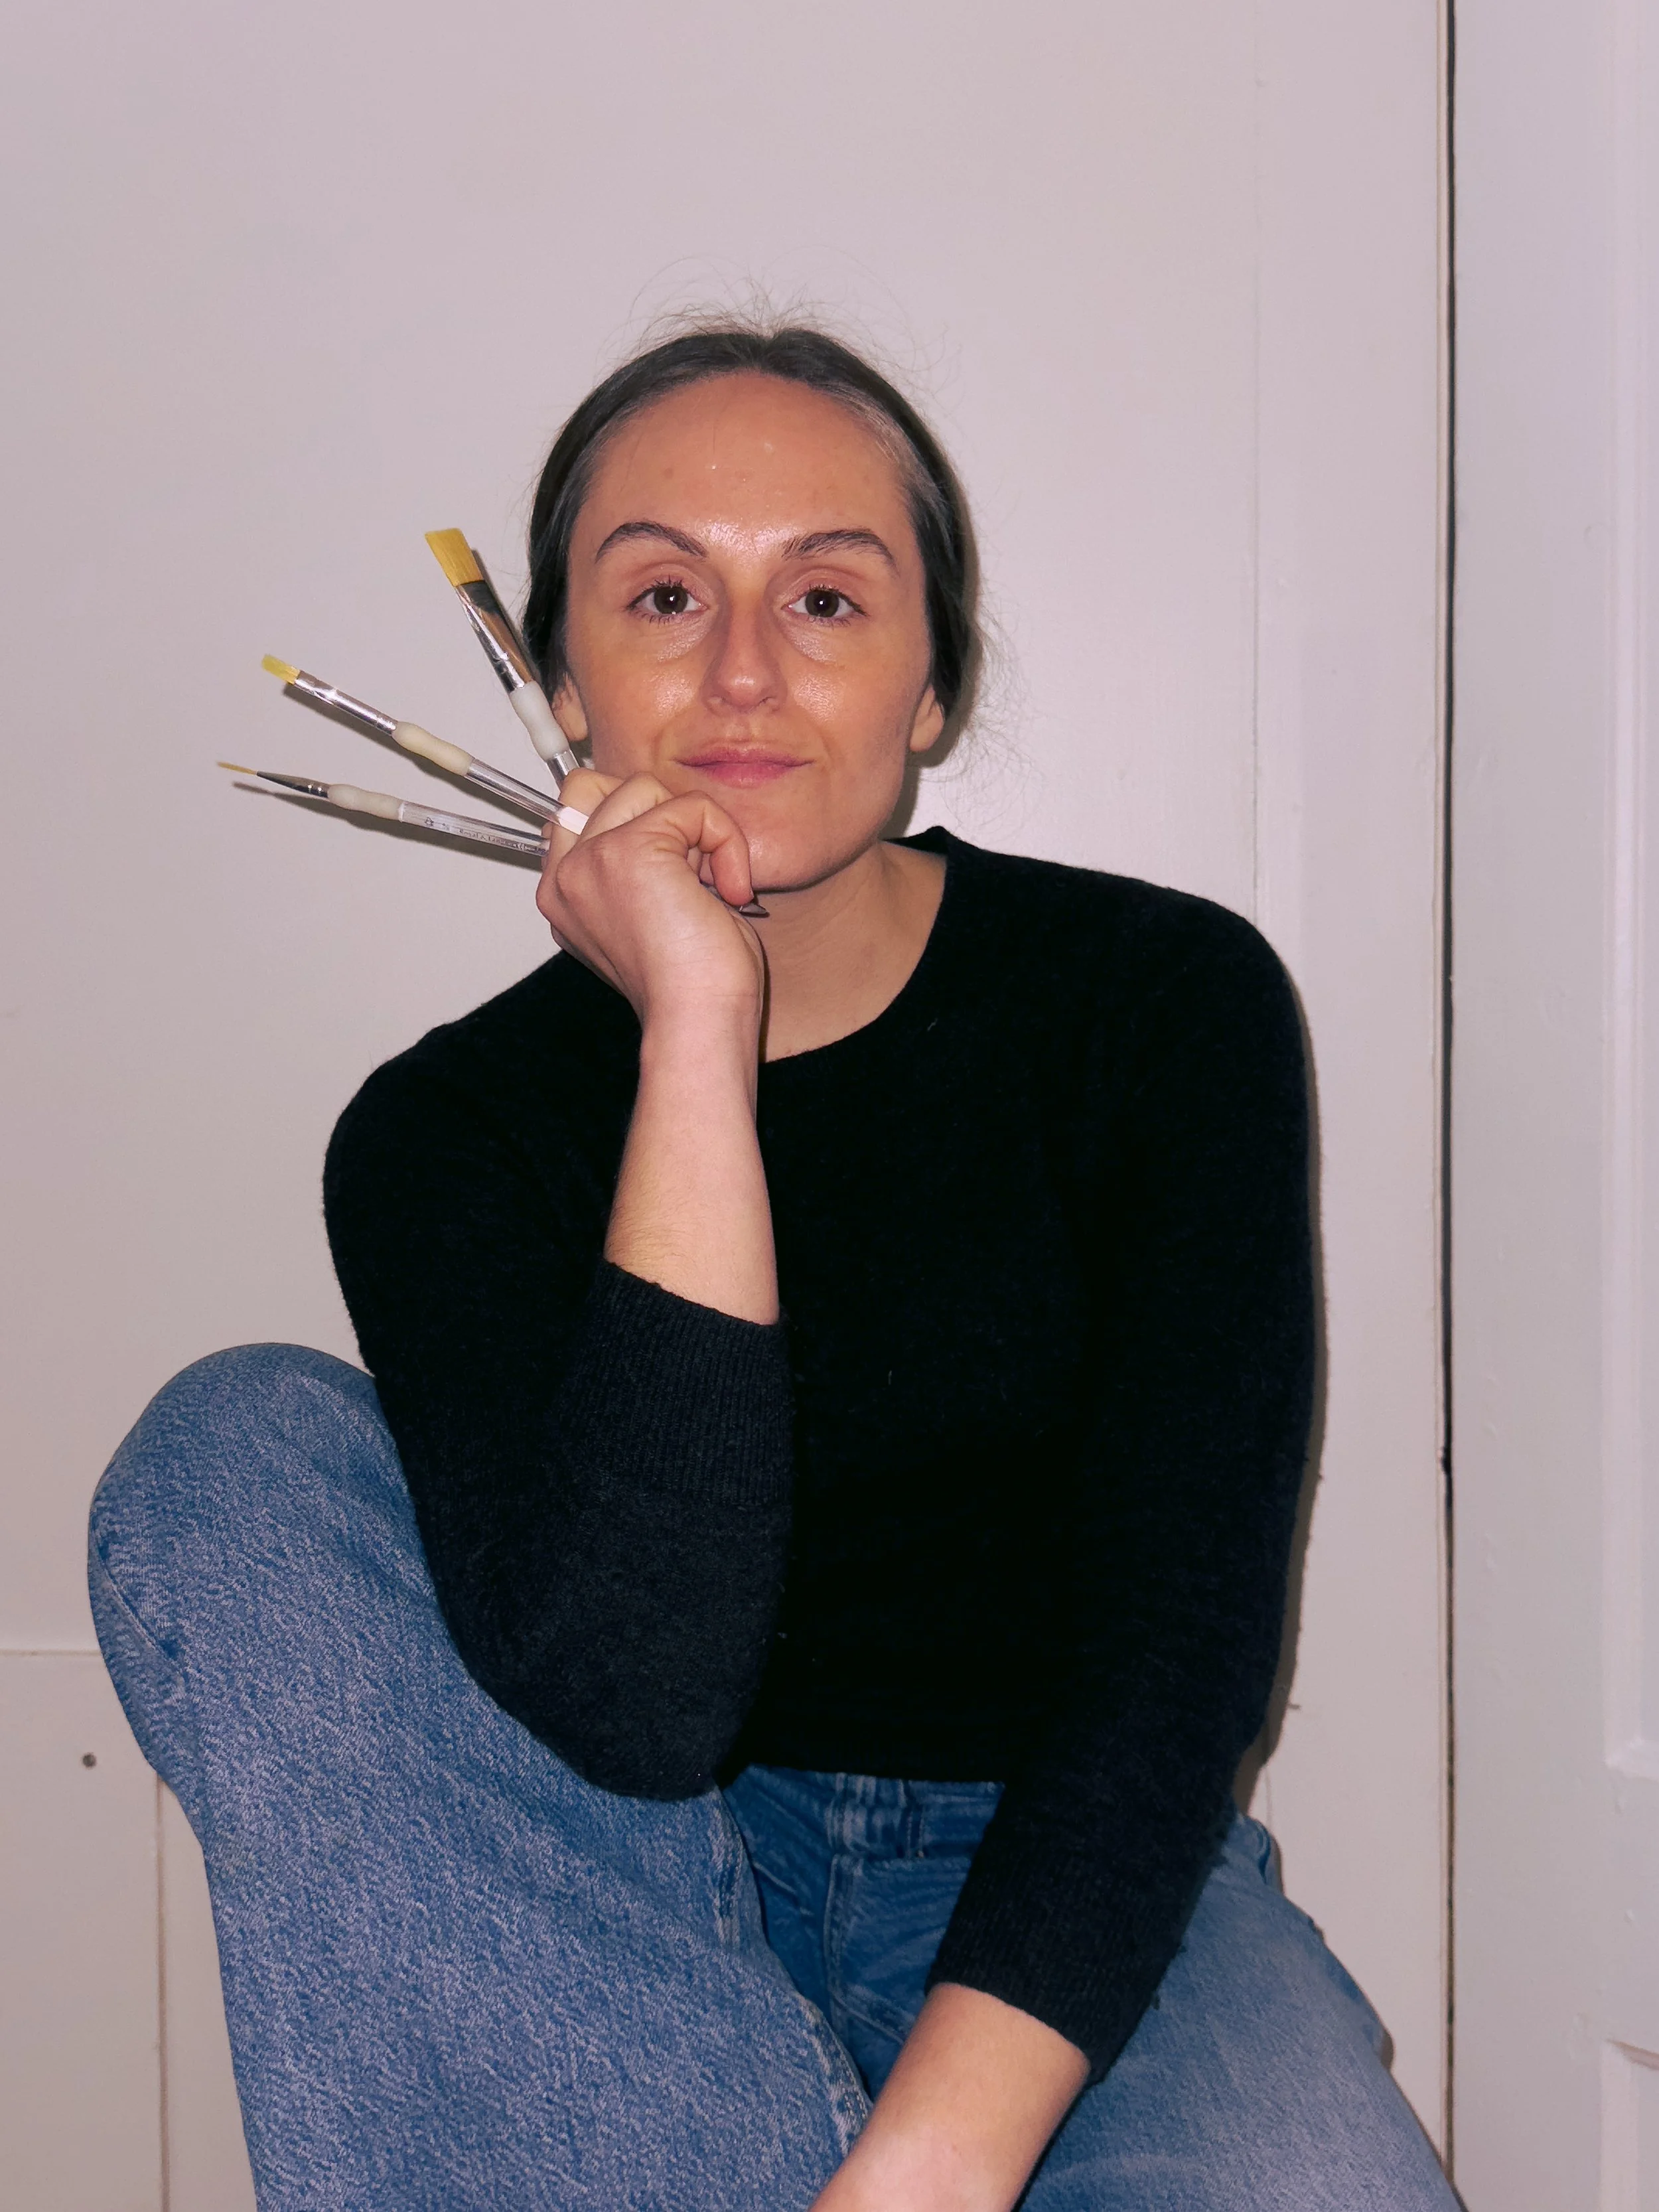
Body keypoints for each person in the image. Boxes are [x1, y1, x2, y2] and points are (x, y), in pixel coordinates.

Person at [89, 321, 1459, 2211]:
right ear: (562, 681)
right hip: (605, 1864)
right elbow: (637, 1701)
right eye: (662, 593)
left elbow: (1176, 1652)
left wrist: (925, 2169)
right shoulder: (445, 1133)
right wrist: (690, 1037)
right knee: (228, 1445)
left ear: (929, 684)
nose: (742, 668)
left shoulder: (1157, 1006)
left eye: (824, 595)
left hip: (1058, 1866)